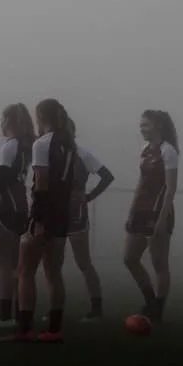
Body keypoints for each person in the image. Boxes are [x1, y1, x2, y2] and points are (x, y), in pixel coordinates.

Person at [3, 99, 76, 343]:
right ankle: (54, 330)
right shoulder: (69, 144)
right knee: (54, 273)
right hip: (62, 214)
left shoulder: (42, 143)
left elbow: (42, 185)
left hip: (45, 215)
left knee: (25, 271)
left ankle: (24, 330)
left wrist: (39, 220)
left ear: (40, 117)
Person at [123, 110, 179, 323]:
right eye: (141, 125)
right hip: (140, 211)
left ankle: (158, 309)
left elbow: (171, 188)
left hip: (158, 212)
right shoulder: (145, 149)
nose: (141, 129)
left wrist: (162, 219)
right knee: (129, 259)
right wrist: (131, 210)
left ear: (158, 126)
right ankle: (150, 301)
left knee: (159, 264)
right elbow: (141, 182)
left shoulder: (168, 151)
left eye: (145, 125)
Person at [0, 104, 34, 329]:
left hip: (6, 206)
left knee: (3, 264)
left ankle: (4, 317)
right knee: (14, 265)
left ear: (9, 121)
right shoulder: (25, 145)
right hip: (21, 204)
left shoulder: (10, 146)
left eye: (3, 119)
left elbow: (1, 179)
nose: (0, 124)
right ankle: (15, 313)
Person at [64, 117, 114, 322]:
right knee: (52, 263)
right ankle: (55, 309)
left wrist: (89, 196)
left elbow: (107, 176)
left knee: (83, 262)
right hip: (53, 213)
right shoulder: (48, 151)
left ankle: (97, 308)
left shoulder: (81, 153)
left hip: (75, 214)